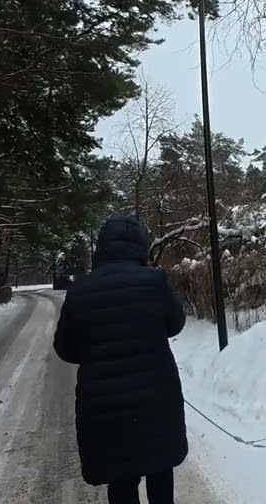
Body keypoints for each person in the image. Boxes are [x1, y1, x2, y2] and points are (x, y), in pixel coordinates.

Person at [53, 214, 188, 504]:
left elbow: (64, 348)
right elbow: (175, 324)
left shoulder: (80, 291)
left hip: (105, 406)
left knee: (121, 479)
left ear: (102, 248)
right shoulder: (156, 282)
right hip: (155, 398)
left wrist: (94, 354)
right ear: (140, 246)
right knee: (160, 469)